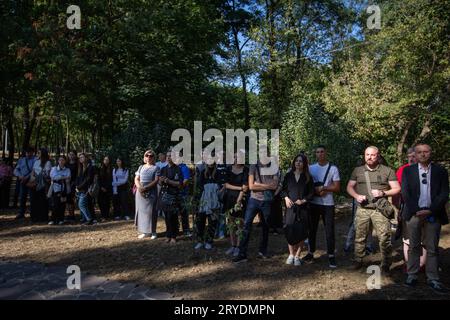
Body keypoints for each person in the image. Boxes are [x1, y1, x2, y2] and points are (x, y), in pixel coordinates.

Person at [402, 144, 449, 294]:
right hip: (414, 214)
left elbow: (444, 193)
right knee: (414, 246)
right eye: (419, 152)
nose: (423, 154)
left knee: (432, 248)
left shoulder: (440, 171)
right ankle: (412, 275)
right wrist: (417, 210)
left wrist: (431, 210)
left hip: (433, 214)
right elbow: (405, 193)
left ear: (431, 153)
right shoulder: (408, 171)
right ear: (415, 154)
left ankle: (433, 278)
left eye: (426, 151)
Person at [346, 146, 401, 272]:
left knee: (384, 237)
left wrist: (383, 193)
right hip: (363, 209)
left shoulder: (387, 171)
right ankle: (358, 260)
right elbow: (349, 187)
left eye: (372, 155)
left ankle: (386, 263)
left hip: (379, 210)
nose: (369, 157)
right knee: (360, 236)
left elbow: (397, 188)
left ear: (378, 156)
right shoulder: (357, 170)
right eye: (367, 155)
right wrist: (356, 196)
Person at [233, 157, 279, 263]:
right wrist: (266, 186)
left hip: (266, 201)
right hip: (254, 200)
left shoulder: (273, 167)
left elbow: (275, 186)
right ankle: (242, 254)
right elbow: (251, 186)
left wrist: (259, 185)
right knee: (246, 225)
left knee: (265, 227)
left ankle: (262, 251)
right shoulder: (254, 166)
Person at [304, 145, 340, 268]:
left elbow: (337, 187)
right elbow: (306, 186)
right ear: (316, 154)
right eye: (317, 152)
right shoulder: (311, 168)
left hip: (328, 204)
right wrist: (315, 190)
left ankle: (331, 255)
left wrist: (324, 188)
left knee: (329, 230)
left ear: (326, 153)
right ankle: (310, 252)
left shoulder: (333, 168)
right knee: (311, 229)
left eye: (322, 152)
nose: (320, 154)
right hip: (314, 203)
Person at [395, 148, 426, 273]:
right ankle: (409, 264)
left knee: (423, 239)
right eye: (409, 156)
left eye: (414, 156)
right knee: (407, 238)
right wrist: (397, 208)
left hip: (424, 208)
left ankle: (422, 265)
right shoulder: (402, 170)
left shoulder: (426, 169)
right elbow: (397, 191)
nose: (411, 158)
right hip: (406, 208)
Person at [281, 154, 314, 266]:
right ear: (294, 163)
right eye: (297, 161)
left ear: (304, 163)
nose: (298, 163)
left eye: (301, 161)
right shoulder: (288, 176)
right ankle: (291, 254)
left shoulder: (308, 177)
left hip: (303, 209)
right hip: (290, 208)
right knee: (289, 230)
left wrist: (304, 200)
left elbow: (311, 193)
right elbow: (283, 190)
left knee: (301, 232)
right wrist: (285, 198)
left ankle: (297, 256)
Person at [223, 152, 249, 257]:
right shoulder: (229, 169)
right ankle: (233, 245)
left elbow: (245, 187)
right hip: (228, 198)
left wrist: (239, 200)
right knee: (230, 223)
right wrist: (239, 188)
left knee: (240, 224)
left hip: (241, 199)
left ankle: (239, 247)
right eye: (234, 156)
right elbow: (225, 185)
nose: (236, 158)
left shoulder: (246, 170)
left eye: (238, 157)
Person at [195, 160, 222, 250]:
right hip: (204, 201)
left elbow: (220, 186)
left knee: (212, 222)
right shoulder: (203, 172)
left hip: (214, 201)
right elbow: (199, 186)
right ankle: (200, 241)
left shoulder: (218, 172)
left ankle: (209, 241)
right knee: (200, 221)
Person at [134, 150, 159, 239]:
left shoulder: (156, 168)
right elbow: (136, 179)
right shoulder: (141, 167)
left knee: (152, 212)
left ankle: (153, 232)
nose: (149, 157)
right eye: (147, 155)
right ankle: (144, 231)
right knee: (141, 212)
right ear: (145, 157)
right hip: (140, 192)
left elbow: (156, 180)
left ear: (154, 157)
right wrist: (140, 188)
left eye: (151, 156)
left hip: (151, 191)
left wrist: (146, 188)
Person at [159, 151, 183, 243]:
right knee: (166, 216)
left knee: (173, 216)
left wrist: (168, 181)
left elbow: (179, 184)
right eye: (167, 156)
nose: (169, 158)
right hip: (164, 195)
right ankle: (168, 235)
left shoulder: (178, 169)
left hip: (173, 195)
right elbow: (160, 183)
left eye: (171, 156)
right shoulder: (163, 169)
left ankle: (174, 236)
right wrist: (161, 181)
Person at [13, 147, 37, 219]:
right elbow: (16, 170)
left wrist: (26, 177)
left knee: (32, 198)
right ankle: (21, 213)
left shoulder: (35, 160)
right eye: (27, 152)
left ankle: (33, 213)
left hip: (31, 181)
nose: (28, 153)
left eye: (30, 152)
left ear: (33, 152)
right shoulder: (21, 160)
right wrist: (19, 176)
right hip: (22, 181)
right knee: (22, 197)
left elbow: (35, 170)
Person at [30, 148, 52, 223]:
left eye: (39, 153)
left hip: (43, 184)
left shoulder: (47, 162)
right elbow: (32, 171)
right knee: (34, 201)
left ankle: (43, 217)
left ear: (43, 154)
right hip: (35, 183)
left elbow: (47, 174)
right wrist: (32, 177)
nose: (37, 154)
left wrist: (39, 176)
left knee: (42, 201)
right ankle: (34, 217)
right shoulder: (36, 162)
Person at [48, 155, 71, 225]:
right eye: (60, 160)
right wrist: (62, 177)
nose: (61, 161)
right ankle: (53, 219)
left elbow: (69, 177)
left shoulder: (67, 170)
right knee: (55, 204)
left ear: (65, 161)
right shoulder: (54, 168)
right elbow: (53, 177)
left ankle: (61, 219)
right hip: (55, 189)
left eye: (63, 160)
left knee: (62, 204)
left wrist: (59, 177)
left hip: (64, 189)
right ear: (58, 161)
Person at [75, 153, 96, 225]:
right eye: (80, 157)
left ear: (86, 158)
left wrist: (79, 186)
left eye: (82, 157)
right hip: (79, 189)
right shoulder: (80, 167)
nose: (81, 159)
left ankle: (89, 219)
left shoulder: (90, 167)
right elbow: (78, 178)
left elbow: (88, 179)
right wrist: (76, 186)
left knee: (81, 204)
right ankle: (84, 219)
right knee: (83, 204)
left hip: (86, 189)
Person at [177, 156, 192, 237]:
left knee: (184, 213)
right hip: (174, 194)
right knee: (174, 214)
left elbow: (185, 180)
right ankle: (176, 230)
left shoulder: (184, 167)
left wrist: (176, 185)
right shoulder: (172, 167)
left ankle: (186, 230)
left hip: (183, 194)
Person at [65, 150, 78, 221]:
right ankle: (69, 215)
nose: (71, 156)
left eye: (72, 154)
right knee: (67, 200)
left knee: (71, 200)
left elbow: (77, 175)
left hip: (73, 184)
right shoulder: (66, 163)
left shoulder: (77, 164)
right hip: (66, 183)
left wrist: (74, 183)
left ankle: (72, 215)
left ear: (75, 155)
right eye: (70, 154)